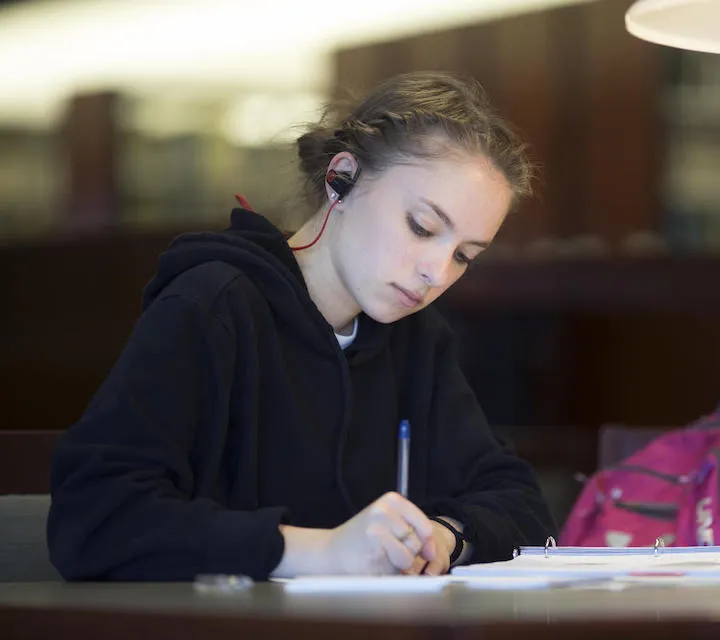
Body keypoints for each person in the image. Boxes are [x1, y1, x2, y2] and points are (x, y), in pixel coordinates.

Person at [47, 71, 556, 582]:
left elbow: (520, 503)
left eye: (464, 256)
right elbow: (96, 518)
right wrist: (322, 552)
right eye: (422, 227)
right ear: (342, 179)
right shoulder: (214, 305)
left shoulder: (417, 338)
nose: (437, 272)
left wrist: (445, 536)